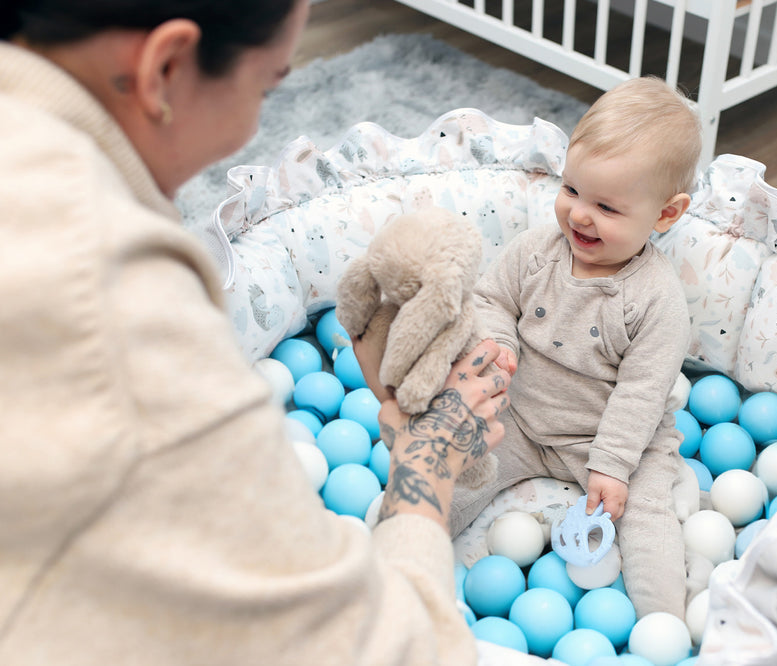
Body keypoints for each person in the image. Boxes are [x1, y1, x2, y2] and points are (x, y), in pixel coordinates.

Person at [0, 2, 538, 664]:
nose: (259, 117)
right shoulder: (117, 297)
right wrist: (425, 468)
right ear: (165, 66)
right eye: (267, 86)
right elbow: (385, 650)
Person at [451, 76, 702, 620]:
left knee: (647, 514)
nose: (580, 215)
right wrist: (497, 341)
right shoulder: (536, 252)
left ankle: (668, 625)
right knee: (453, 469)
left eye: (607, 208)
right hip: (519, 417)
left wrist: (611, 467)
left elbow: (642, 393)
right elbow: (490, 298)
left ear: (665, 214)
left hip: (610, 441)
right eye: (571, 191)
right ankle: (393, 549)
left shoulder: (655, 301)